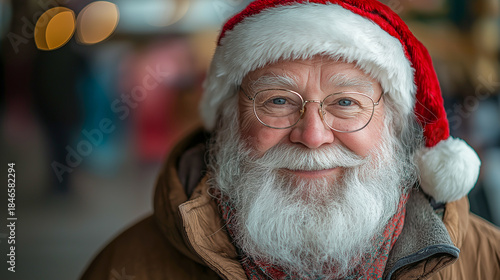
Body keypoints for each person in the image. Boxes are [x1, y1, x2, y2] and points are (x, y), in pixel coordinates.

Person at [80, 0, 500, 279]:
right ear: (227, 121)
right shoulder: (127, 267)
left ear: (394, 125)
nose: (313, 136)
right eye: (278, 100)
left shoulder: (489, 261)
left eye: (346, 103)